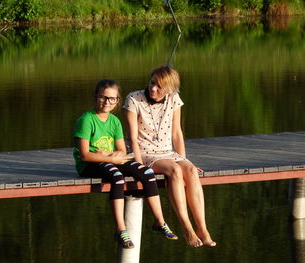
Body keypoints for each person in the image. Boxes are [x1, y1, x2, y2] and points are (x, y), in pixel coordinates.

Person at [73, 79, 178, 249]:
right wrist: (111, 158)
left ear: (117, 101)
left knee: (147, 173)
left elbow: (122, 151)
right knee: (117, 176)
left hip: (109, 159)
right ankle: (121, 230)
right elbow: (85, 155)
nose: (107, 102)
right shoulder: (86, 120)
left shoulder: (114, 121)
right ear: (96, 97)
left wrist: (109, 155)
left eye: (112, 99)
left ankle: (159, 221)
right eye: (103, 97)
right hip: (89, 165)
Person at [123, 66, 216, 247]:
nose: (153, 89)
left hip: (167, 152)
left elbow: (176, 134)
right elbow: (132, 138)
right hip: (143, 152)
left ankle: (202, 228)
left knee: (189, 170)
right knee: (174, 170)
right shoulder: (133, 99)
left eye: (159, 86)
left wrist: (184, 160)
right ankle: (186, 227)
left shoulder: (174, 99)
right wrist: (139, 167)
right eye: (152, 83)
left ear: (171, 89)